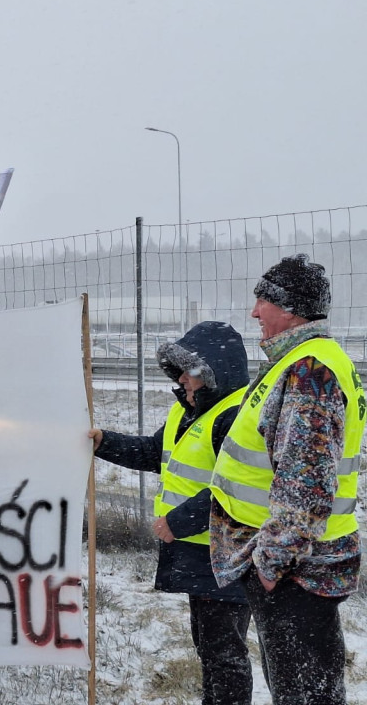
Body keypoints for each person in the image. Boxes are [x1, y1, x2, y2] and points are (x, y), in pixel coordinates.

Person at [209, 254, 364, 704]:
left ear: (291, 308)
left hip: (297, 570)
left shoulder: (309, 370)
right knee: (304, 687)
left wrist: (273, 564)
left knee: (304, 693)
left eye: (263, 300)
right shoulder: (302, 361)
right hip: (298, 566)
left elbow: (306, 482)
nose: (254, 311)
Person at [90, 320, 253, 705]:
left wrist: (178, 522)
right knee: (210, 648)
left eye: (188, 371)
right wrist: (104, 442)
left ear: (213, 371)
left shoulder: (235, 417)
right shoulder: (191, 411)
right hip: (200, 550)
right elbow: (154, 453)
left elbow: (237, 489)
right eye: (178, 370)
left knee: (225, 653)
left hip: (225, 551)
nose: (181, 379)